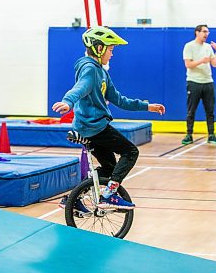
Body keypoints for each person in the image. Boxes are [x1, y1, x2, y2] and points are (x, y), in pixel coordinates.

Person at [52, 26, 165, 210]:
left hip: (88, 127)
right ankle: (109, 196)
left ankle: (74, 198)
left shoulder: (101, 71)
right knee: (131, 152)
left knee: (111, 168)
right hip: (94, 127)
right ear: (99, 48)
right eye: (111, 50)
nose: (112, 54)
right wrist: (68, 102)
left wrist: (146, 106)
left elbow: (119, 99)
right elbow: (80, 88)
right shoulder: (90, 69)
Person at [181, 24, 216, 145]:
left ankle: (211, 135)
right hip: (194, 82)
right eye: (204, 31)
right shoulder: (189, 46)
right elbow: (188, 64)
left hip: (208, 82)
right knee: (191, 110)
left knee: (210, 111)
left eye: (208, 32)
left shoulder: (208, 47)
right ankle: (189, 135)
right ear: (197, 33)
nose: (206, 34)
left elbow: (214, 64)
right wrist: (201, 61)